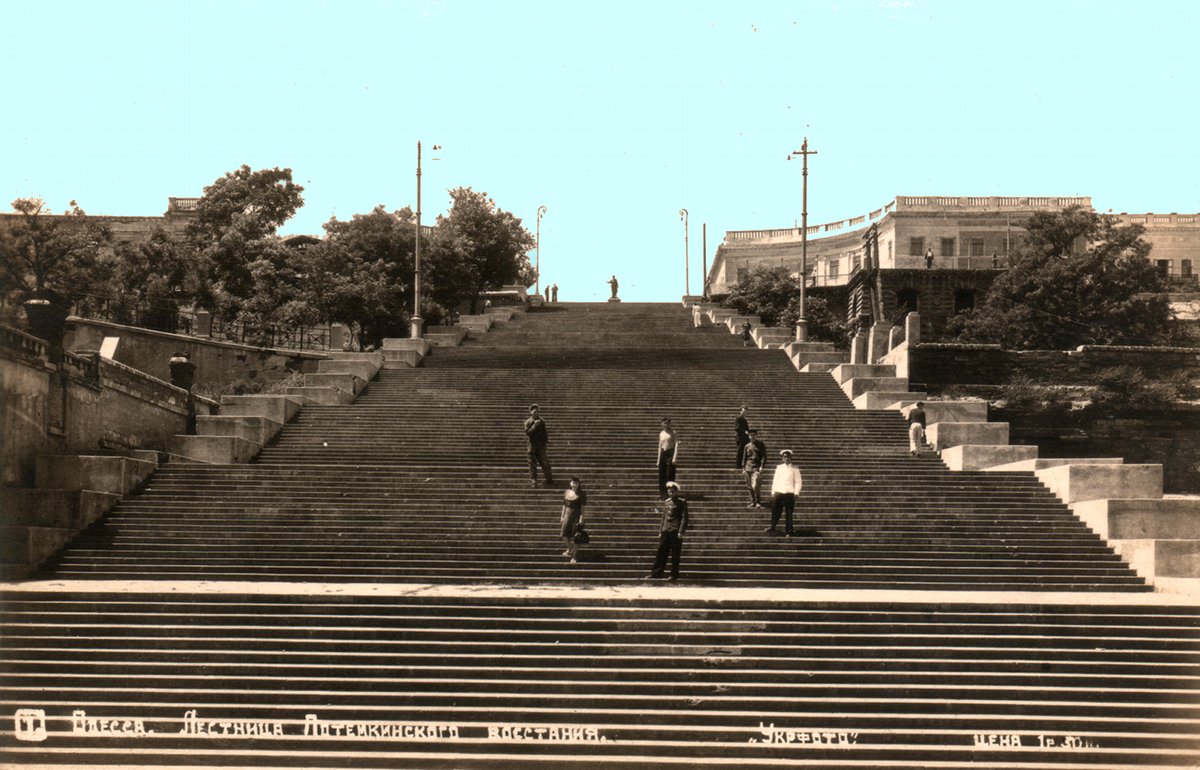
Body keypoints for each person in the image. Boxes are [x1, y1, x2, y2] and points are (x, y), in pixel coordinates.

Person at [647, 481, 689, 581]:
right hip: (666, 530)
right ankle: (657, 573)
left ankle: (674, 575)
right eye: (669, 491)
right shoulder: (667, 502)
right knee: (661, 552)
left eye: (673, 491)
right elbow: (664, 517)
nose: (671, 493)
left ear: (676, 492)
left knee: (675, 554)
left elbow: (684, 518)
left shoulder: (681, 502)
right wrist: (660, 530)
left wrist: (681, 531)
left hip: (675, 530)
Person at [765, 449, 802, 536]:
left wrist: (796, 492)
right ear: (782, 458)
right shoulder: (779, 468)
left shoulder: (795, 468)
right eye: (785, 457)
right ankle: (772, 526)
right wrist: (773, 491)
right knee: (775, 510)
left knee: (789, 512)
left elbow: (798, 481)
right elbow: (775, 480)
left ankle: (789, 530)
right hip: (779, 491)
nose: (787, 458)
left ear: (791, 458)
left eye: (788, 457)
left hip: (789, 492)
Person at [524, 404, 554, 487]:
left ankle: (550, 480)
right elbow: (528, 433)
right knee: (532, 465)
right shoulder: (527, 422)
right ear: (530, 412)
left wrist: (546, 441)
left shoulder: (542, 421)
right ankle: (533, 481)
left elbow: (545, 433)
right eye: (534, 411)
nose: (536, 413)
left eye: (537, 412)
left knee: (545, 463)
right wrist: (534, 426)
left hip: (540, 446)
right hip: (532, 446)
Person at [560, 476, 587, 563]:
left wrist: (582, 518)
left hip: (576, 516)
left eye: (576, 483)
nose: (574, 484)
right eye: (573, 483)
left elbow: (582, 507)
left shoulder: (582, 494)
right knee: (564, 534)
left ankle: (574, 556)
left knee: (576, 537)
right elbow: (564, 505)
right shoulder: (566, 492)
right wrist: (562, 516)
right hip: (567, 515)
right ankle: (570, 548)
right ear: (570, 483)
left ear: (578, 484)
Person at [743, 428, 767, 509]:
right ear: (749, 436)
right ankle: (752, 502)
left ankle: (758, 502)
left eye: (753, 435)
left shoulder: (760, 444)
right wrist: (743, 468)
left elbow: (764, 456)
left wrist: (762, 466)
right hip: (748, 467)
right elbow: (744, 457)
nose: (752, 437)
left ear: (756, 435)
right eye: (750, 435)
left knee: (756, 485)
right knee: (749, 486)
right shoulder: (747, 446)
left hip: (756, 467)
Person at [656, 417, 679, 500]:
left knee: (670, 474)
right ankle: (663, 494)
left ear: (669, 424)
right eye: (664, 423)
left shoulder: (673, 432)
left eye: (667, 423)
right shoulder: (661, 433)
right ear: (662, 424)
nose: (666, 425)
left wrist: (674, 457)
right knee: (662, 475)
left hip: (670, 452)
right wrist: (658, 460)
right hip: (663, 453)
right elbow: (659, 446)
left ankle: (672, 493)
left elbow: (676, 444)